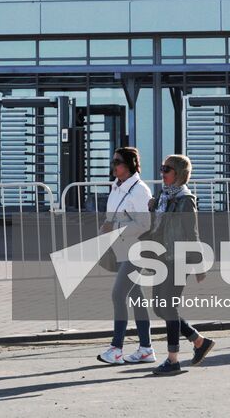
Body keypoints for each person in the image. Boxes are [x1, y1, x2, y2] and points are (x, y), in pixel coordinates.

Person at [148, 153, 215, 375]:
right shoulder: (164, 196)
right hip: (162, 258)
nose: (162, 173)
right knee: (159, 306)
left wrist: (199, 265)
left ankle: (173, 359)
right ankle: (199, 342)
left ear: (178, 174)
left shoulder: (186, 200)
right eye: (161, 168)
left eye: (166, 170)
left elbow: (192, 234)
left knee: (168, 306)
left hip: (179, 260)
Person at [97, 146, 155, 365]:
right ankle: (146, 349)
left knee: (118, 294)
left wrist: (117, 226)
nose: (113, 165)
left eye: (117, 162)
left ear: (129, 164)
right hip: (122, 249)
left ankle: (116, 348)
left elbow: (145, 223)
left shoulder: (140, 190)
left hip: (137, 249)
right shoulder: (117, 187)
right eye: (113, 161)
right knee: (136, 298)